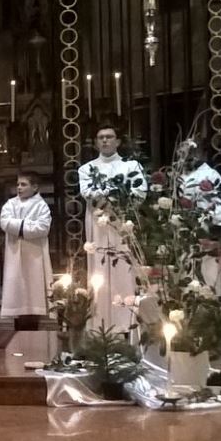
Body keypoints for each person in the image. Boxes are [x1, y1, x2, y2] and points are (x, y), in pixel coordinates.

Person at [78, 119, 144, 332]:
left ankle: (126, 322)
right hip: (98, 224)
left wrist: (112, 197)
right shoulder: (86, 169)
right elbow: (88, 193)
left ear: (118, 141)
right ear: (96, 143)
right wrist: (113, 194)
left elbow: (140, 193)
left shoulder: (131, 166)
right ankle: (100, 321)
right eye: (101, 138)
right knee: (99, 269)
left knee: (124, 269)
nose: (105, 140)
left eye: (109, 137)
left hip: (121, 223)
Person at [176, 140, 221, 298]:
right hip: (186, 233)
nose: (188, 157)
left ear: (203, 154)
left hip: (209, 234)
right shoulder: (179, 177)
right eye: (184, 153)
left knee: (211, 275)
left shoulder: (212, 175)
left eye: (192, 153)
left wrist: (214, 232)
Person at [0, 172, 52, 330]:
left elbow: (42, 228)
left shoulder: (41, 205)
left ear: (35, 187)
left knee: (32, 294)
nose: (19, 188)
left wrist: (19, 226)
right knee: (18, 294)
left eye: (24, 184)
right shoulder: (10, 204)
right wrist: (27, 224)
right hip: (15, 254)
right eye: (18, 184)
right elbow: (4, 222)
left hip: (34, 255)